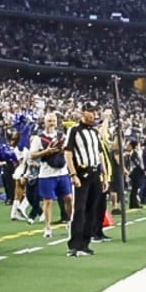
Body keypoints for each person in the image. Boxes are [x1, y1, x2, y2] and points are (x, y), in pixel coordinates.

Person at [63, 102, 106, 257]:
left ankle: (85, 243)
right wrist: (73, 174)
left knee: (92, 209)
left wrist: (105, 175)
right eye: (91, 111)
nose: (94, 114)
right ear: (83, 113)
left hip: (95, 173)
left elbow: (100, 154)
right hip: (82, 173)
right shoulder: (74, 130)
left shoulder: (94, 133)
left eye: (96, 111)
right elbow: (68, 153)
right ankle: (74, 244)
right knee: (79, 209)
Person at [30, 112, 72, 239]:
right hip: (47, 174)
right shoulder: (39, 138)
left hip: (62, 172)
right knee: (48, 201)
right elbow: (32, 155)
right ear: (45, 122)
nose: (52, 123)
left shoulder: (62, 136)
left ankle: (70, 222)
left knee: (69, 198)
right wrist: (46, 151)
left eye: (53, 121)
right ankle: (48, 227)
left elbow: (69, 151)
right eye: (49, 121)